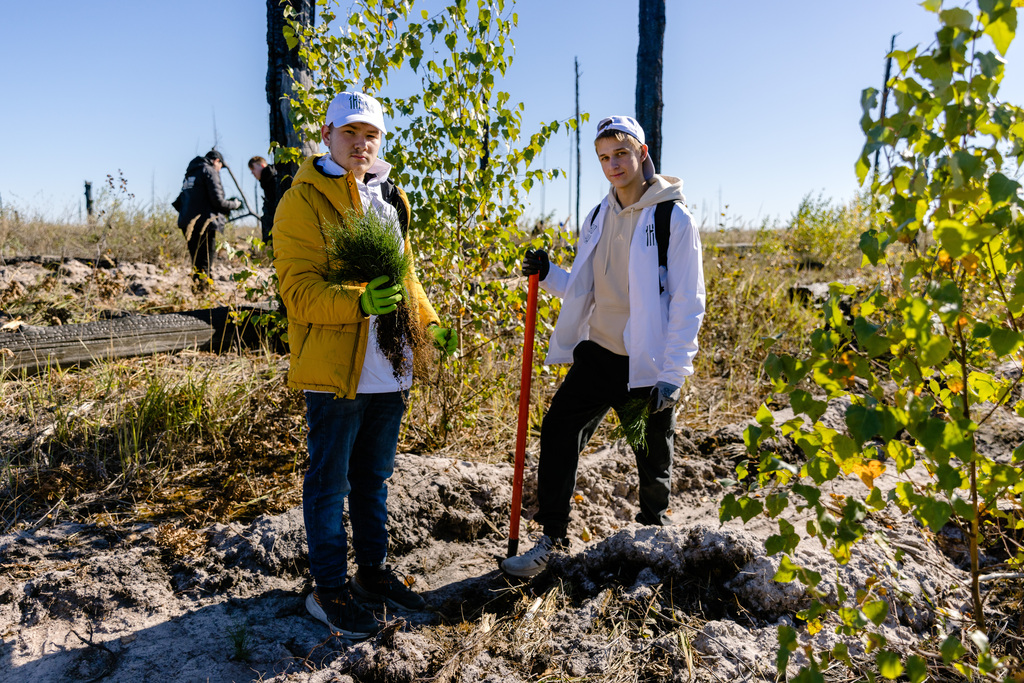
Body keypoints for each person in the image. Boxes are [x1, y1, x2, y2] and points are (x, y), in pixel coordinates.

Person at [273, 91, 458, 640]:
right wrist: (358, 302)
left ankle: (372, 577)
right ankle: (327, 592)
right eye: (350, 132)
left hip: (391, 370)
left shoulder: (389, 197)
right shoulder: (302, 201)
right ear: (326, 134)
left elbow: (407, 280)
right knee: (329, 483)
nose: (361, 143)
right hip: (338, 372)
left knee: (373, 480)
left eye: (371, 134)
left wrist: (428, 324)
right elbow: (299, 293)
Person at [501, 115, 706, 578]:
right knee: (558, 429)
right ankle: (551, 538)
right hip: (598, 353)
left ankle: (654, 542)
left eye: (621, 154)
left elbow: (688, 302)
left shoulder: (672, 217)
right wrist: (549, 272)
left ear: (643, 151)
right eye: (604, 158)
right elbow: (585, 287)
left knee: (650, 455)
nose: (613, 165)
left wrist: (673, 374)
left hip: (645, 364)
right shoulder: (598, 216)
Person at [173, 149, 241, 284]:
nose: (219, 170)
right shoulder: (210, 171)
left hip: (186, 221)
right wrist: (235, 204)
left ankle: (198, 290)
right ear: (217, 161)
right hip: (205, 223)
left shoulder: (191, 172)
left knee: (196, 261)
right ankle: (204, 293)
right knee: (205, 261)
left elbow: (180, 201)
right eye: (220, 167)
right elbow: (218, 201)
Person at [248, 155, 279, 244]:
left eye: (253, 168)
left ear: (261, 165)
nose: (252, 173)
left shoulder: (274, 179)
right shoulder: (267, 181)